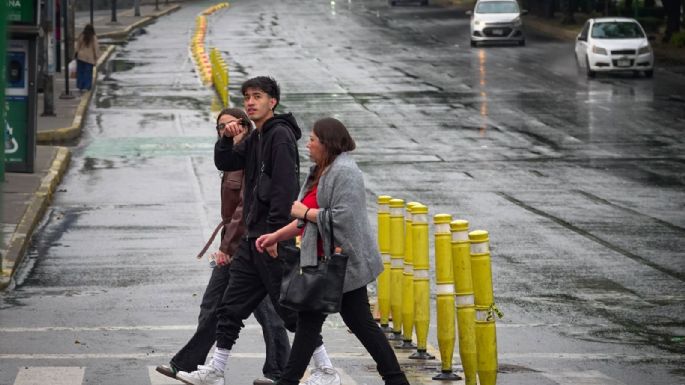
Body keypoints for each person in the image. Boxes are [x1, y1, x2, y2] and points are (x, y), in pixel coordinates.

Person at [176, 77, 340, 385]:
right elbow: (225, 161)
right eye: (247, 97)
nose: (250, 102)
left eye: (257, 97)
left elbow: (284, 189)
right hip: (253, 241)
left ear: (272, 101)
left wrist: (277, 236)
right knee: (230, 307)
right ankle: (216, 369)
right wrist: (226, 137)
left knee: (290, 310)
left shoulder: (279, 136)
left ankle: (326, 370)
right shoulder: (257, 136)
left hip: (271, 240)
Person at [255, 117, 410, 385]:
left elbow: (344, 217)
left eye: (313, 139)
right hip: (321, 262)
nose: (308, 144)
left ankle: (395, 379)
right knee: (311, 324)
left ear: (327, 143)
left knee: (355, 324)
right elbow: (305, 218)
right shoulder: (319, 171)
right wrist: (277, 236)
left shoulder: (345, 171)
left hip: (342, 264)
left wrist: (307, 212)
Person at [155, 108, 290, 385]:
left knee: (269, 313)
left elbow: (244, 209)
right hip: (234, 243)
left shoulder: (251, 158)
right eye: (221, 127)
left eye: (233, 125)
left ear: (246, 127)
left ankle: (281, 372)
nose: (227, 130)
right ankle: (193, 364)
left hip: (248, 245)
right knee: (214, 306)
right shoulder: (233, 157)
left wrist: (227, 248)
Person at [74, 24, 99, 92]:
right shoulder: (93, 37)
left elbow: (77, 46)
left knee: (80, 72)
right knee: (88, 73)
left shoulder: (81, 35)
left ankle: (80, 86)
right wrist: (96, 57)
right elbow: (95, 48)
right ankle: (87, 86)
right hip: (89, 58)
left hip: (81, 57)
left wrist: (76, 54)